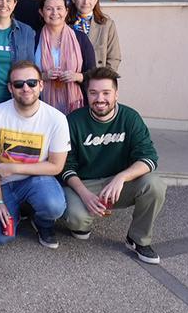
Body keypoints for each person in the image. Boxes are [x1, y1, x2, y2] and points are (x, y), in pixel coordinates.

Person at [62, 67, 165, 263]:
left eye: (106, 93)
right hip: (85, 183)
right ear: (87, 94)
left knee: (155, 185)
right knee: (78, 220)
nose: (100, 99)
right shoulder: (74, 120)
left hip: (119, 184)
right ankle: (84, 220)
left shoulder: (130, 118)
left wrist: (121, 177)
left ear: (116, 94)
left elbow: (149, 158)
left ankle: (138, 239)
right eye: (93, 93)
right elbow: (66, 166)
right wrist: (85, 194)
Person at [0, 61, 70, 249]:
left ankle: (42, 221)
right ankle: (17, 211)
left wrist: (15, 167)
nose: (26, 88)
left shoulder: (56, 119)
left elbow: (56, 166)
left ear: (41, 85)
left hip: (37, 181)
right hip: (3, 185)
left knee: (54, 205)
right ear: (10, 88)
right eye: (19, 84)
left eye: (32, 82)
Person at [36, 0, 96, 115]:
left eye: (59, 8)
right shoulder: (33, 38)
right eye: (49, 9)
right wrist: (44, 76)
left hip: (76, 105)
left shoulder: (81, 38)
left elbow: (93, 73)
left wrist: (77, 76)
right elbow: (25, 73)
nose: (54, 13)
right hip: (41, 105)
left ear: (66, 11)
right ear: (41, 12)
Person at [69, 0, 122, 70]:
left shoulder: (107, 25)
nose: (86, 2)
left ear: (96, 0)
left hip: (97, 78)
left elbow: (114, 58)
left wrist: (103, 80)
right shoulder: (65, 24)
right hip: (71, 79)